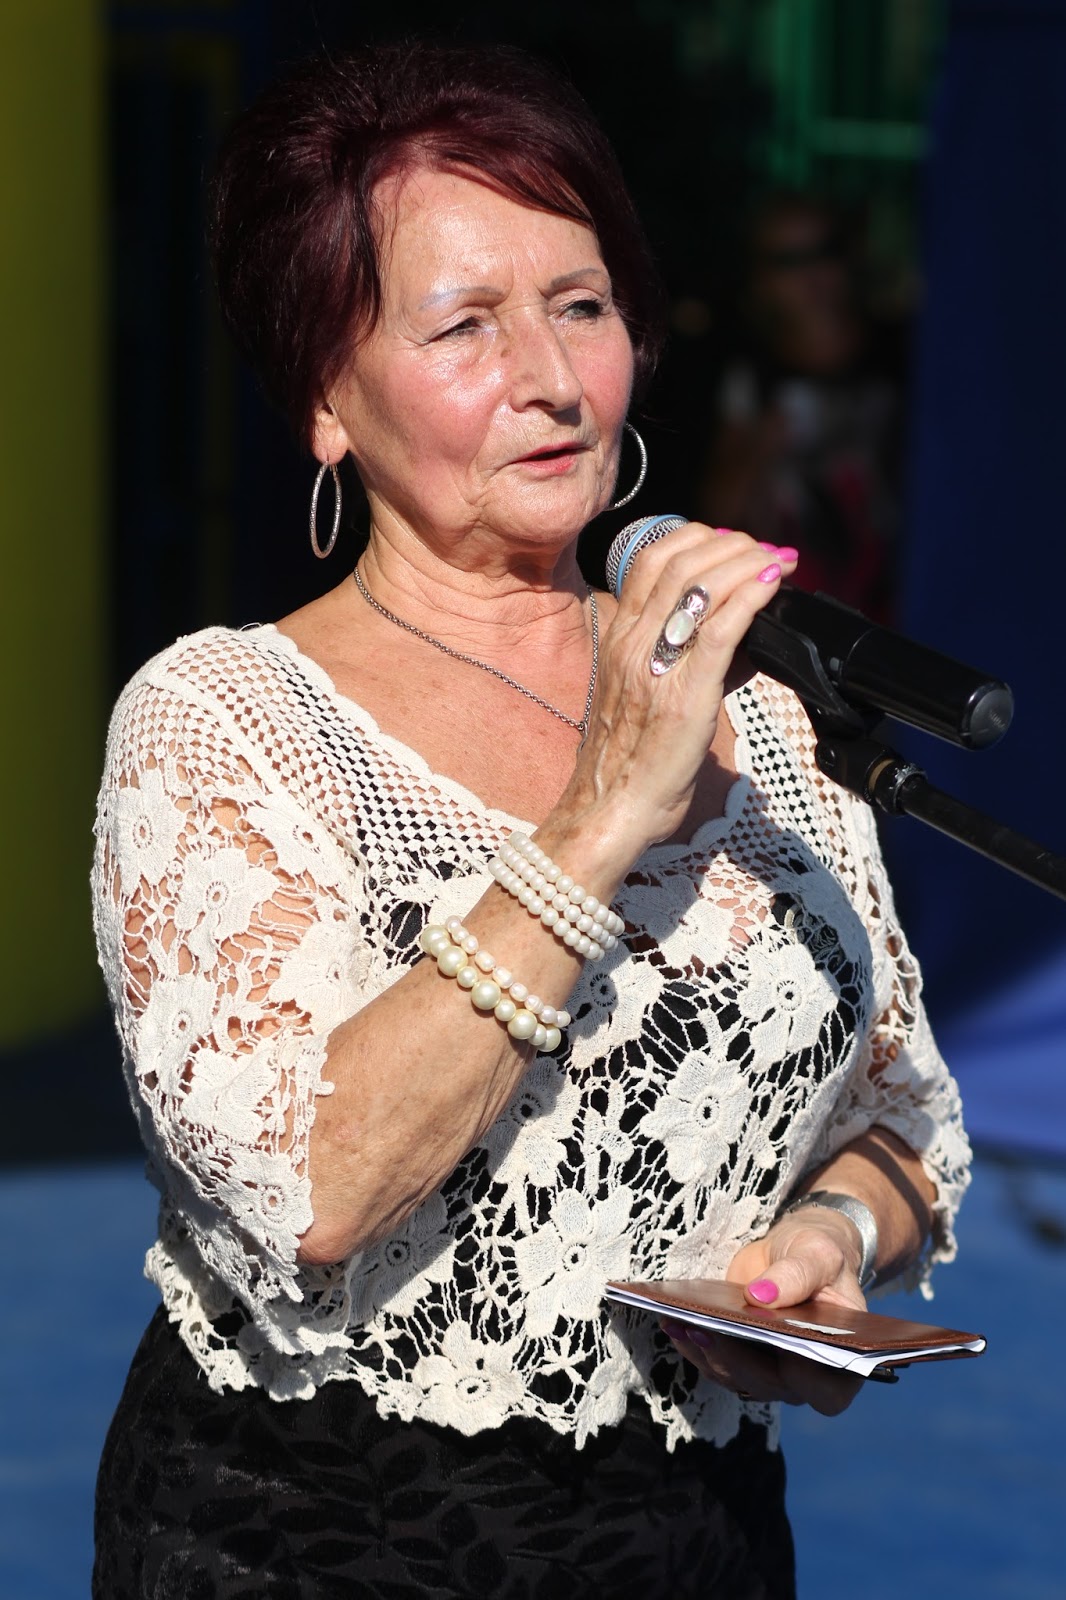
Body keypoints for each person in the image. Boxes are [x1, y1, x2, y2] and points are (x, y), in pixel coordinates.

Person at [91, 43, 970, 1600]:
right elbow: (306, 1192)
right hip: (322, 1539)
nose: (553, 378)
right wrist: (600, 817)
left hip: (696, 1535)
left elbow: (900, 1112)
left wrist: (826, 1245)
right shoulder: (222, 718)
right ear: (325, 399)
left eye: (580, 305)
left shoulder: (761, 714)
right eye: (463, 326)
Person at [700, 193, 908, 622]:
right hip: (801, 611)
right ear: (762, 280)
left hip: (904, 599)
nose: (811, 275)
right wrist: (763, 442)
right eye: (788, 261)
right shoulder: (752, 378)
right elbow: (719, 509)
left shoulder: (903, 357)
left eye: (824, 252)